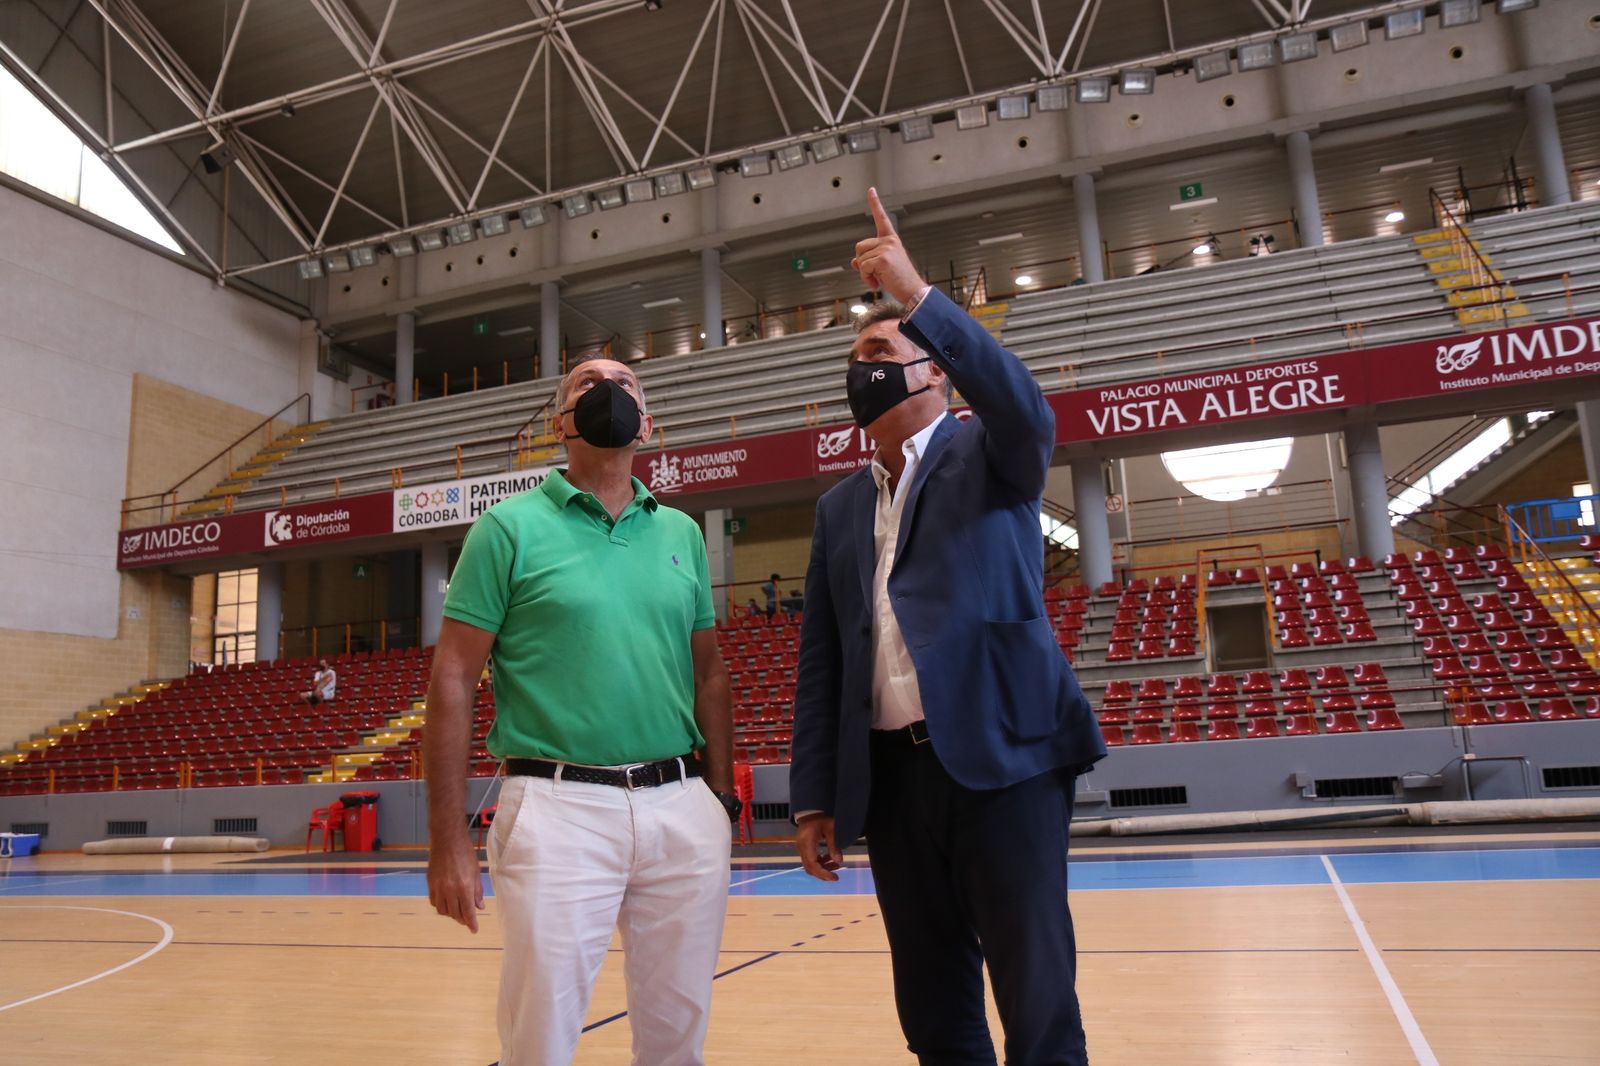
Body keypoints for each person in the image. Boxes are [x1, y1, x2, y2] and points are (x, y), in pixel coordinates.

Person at [790, 188, 1106, 1066]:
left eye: (881, 348)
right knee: (933, 1009)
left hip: (1003, 763)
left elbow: (1029, 408)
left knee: (1037, 1000)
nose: (865, 363)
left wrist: (917, 295)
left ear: (932, 370)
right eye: (857, 354)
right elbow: (824, 660)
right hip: (892, 782)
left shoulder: (989, 453)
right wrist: (816, 793)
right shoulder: (838, 508)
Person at [423, 356, 740, 1066]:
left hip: (680, 803)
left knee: (678, 1037)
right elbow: (452, 679)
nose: (607, 391)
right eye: (586, 384)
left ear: (648, 424)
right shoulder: (506, 529)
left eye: (625, 383)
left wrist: (717, 798)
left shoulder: (682, 534)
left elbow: (709, 672)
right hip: (558, 806)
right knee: (540, 1036)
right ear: (560, 423)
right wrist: (447, 839)